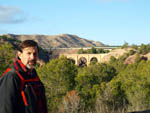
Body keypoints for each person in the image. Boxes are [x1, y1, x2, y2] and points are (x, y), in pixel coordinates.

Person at [0, 40, 48, 113]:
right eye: (28, 53)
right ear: (19, 54)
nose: (32, 57)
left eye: (35, 54)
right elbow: (5, 108)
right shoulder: (11, 77)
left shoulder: (33, 74)